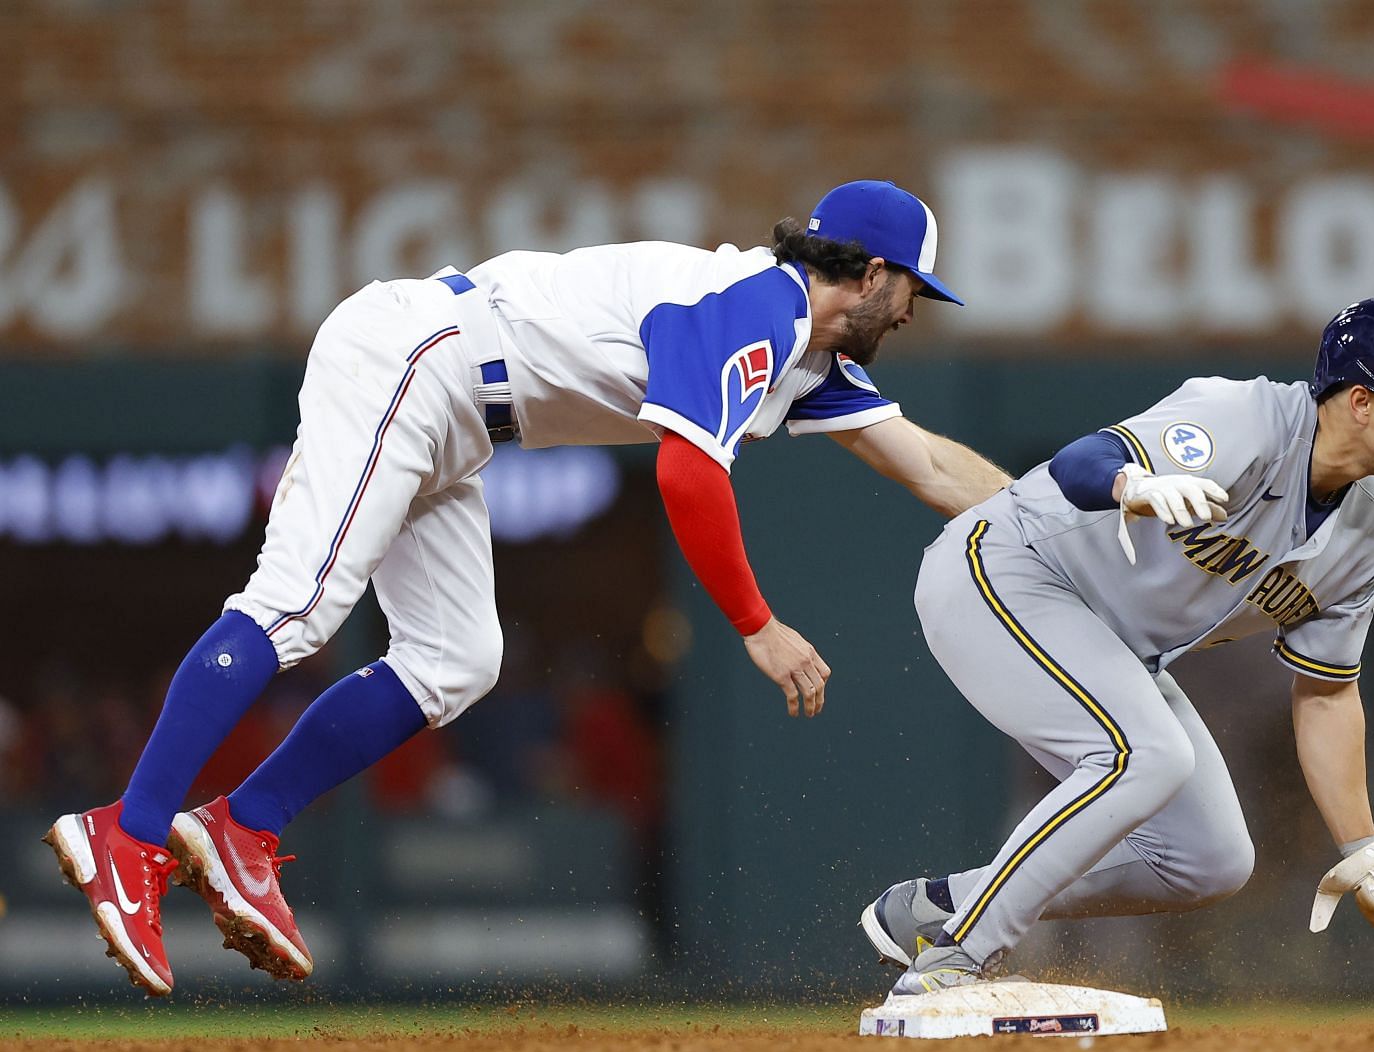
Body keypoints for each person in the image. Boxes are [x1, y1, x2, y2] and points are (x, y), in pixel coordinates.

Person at [45, 180, 1010, 997]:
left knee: (456, 659)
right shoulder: (760, 306)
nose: (916, 312)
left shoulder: (806, 358)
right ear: (874, 273)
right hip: (418, 358)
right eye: (915, 288)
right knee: (298, 606)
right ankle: (126, 830)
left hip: (462, 410)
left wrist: (1052, 516)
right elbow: (686, 470)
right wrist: (755, 624)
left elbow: (925, 461)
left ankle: (242, 826)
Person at [860, 296, 1374, 995]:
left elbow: (1328, 692)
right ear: (1363, 403)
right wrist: (1132, 481)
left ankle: (944, 906)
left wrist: (1364, 853)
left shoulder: (1366, 531)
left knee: (1210, 858)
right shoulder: (1249, 418)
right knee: (1144, 753)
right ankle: (957, 957)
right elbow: (1084, 460)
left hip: (1109, 640)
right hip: (1008, 573)